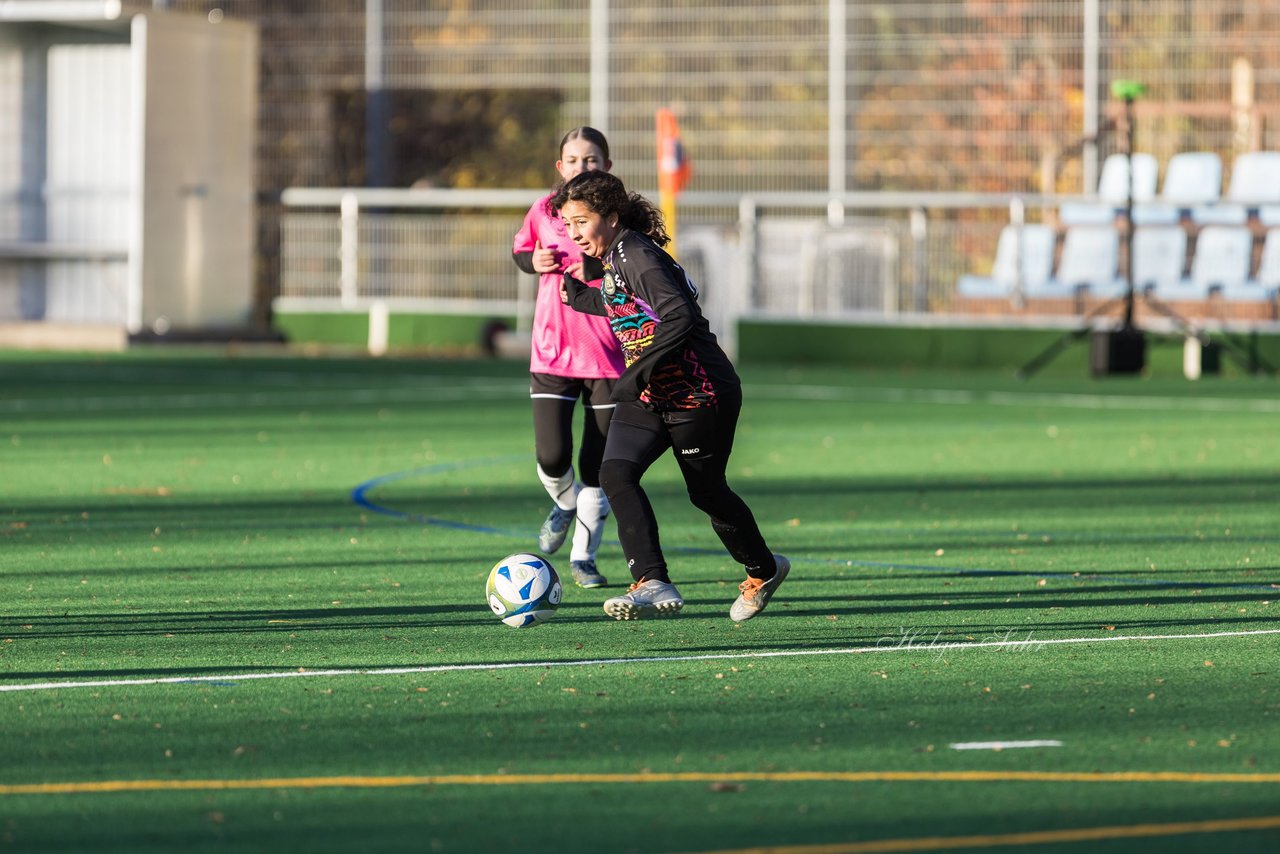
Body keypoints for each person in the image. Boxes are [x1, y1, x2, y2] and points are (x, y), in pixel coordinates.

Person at [549, 170, 788, 621]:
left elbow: (677, 317)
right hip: (652, 394)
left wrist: (636, 374)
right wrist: (582, 297)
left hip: (700, 393)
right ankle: (652, 580)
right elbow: (623, 302)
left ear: (611, 216)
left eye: (581, 222)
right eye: (568, 225)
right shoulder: (617, 257)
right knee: (615, 474)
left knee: (707, 493)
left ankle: (763, 569)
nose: (574, 234)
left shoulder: (637, 254)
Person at [511, 127, 625, 589]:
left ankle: (584, 558)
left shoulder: (622, 217)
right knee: (552, 455)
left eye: (592, 159)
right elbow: (522, 250)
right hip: (553, 352)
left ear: (607, 165)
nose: (582, 167)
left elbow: (637, 264)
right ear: (560, 167)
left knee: (599, 465)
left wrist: (598, 267)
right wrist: (531, 262)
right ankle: (563, 502)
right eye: (573, 160)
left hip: (608, 355)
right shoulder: (543, 209)